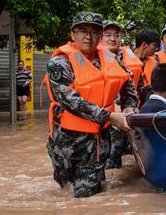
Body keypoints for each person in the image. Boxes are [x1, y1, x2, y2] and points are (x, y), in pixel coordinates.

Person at [45, 11, 137, 197]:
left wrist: (128, 107)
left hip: (96, 143)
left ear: (100, 36)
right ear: (73, 34)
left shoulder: (111, 59)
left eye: (94, 32)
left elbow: (128, 86)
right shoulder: (59, 63)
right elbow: (70, 101)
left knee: (86, 195)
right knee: (66, 192)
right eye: (82, 31)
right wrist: (110, 116)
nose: (88, 36)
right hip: (65, 141)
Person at [101, 20, 140, 169]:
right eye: (108, 35)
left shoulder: (120, 63)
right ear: (100, 37)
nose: (112, 39)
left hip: (120, 123)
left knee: (113, 168)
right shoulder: (89, 61)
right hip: (97, 124)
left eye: (116, 35)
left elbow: (131, 92)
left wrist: (129, 108)